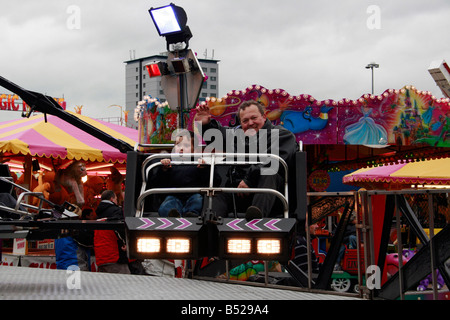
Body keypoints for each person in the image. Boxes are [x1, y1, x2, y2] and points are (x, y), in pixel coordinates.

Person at [195, 100, 298, 218]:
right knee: (216, 192)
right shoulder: (238, 136)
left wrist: (249, 179)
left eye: (254, 118)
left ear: (264, 116)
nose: (250, 123)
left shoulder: (282, 135)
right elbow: (217, 136)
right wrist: (205, 125)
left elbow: (274, 162)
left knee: (270, 172)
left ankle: (256, 220)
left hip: (271, 196)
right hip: (240, 192)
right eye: (245, 120)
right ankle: (209, 227)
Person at [154, 130, 209, 217]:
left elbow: (212, 181)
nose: (181, 148)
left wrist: (204, 168)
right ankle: (172, 215)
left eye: (186, 145)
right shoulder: (170, 164)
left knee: (198, 200)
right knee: (167, 203)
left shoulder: (198, 164)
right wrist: (163, 169)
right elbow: (158, 183)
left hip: (193, 195)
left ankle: (191, 215)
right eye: (178, 145)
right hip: (174, 196)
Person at [94, 190, 130, 274]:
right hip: (114, 255)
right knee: (125, 281)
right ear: (112, 199)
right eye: (116, 199)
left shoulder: (98, 213)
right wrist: (126, 243)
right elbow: (119, 229)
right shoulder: (116, 211)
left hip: (100, 256)